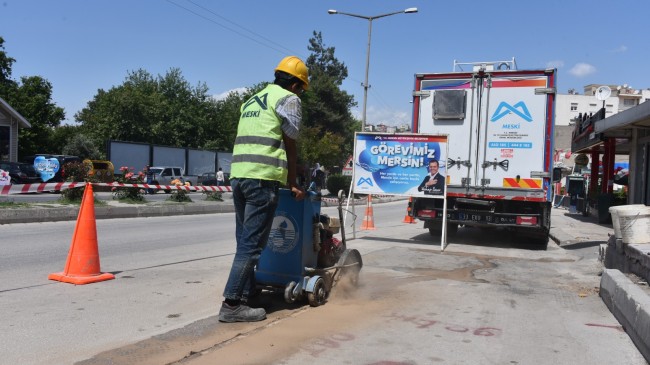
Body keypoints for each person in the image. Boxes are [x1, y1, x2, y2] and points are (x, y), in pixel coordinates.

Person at [219, 56, 308, 323]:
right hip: (262, 179)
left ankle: (248, 292)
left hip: (239, 176)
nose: (301, 92)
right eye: (302, 87)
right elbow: (290, 143)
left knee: (243, 240)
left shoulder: (252, 100)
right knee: (252, 245)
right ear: (294, 84)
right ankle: (232, 304)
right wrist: (293, 182)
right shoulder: (288, 99)